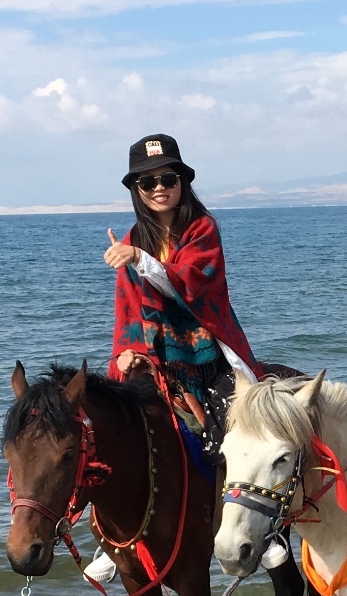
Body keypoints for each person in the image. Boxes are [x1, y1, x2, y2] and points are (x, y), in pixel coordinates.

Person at [104, 133, 260, 455]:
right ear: (137, 190)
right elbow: (129, 309)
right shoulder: (133, 238)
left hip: (207, 355)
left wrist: (138, 258)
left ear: (182, 183)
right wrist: (126, 353)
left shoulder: (203, 229)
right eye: (148, 182)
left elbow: (190, 283)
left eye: (167, 179)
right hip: (155, 355)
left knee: (231, 441)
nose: (159, 188)